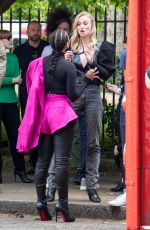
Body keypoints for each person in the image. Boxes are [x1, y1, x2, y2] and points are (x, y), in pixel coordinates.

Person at [17, 28, 98, 222]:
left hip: (45, 113)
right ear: (66, 45)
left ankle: (41, 202)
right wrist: (86, 80)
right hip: (61, 113)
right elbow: (74, 94)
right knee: (61, 162)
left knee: (43, 161)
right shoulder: (68, 66)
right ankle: (63, 205)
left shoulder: (40, 63)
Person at [65, 11, 115, 202]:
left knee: (93, 142)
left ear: (92, 25)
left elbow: (105, 75)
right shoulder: (70, 47)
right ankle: (52, 185)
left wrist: (93, 60)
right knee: (61, 137)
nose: (82, 27)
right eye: (79, 24)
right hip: (75, 94)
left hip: (93, 94)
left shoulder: (102, 47)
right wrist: (68, 62)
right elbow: (62, 73)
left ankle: (92, 186)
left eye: (85, 23)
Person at [13, 21, 49, 174]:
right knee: (30, 125)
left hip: (45, 93)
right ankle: (33, 162)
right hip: (26, 94)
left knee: (44, 125)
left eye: (38, 30)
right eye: (32, 30)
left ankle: (44, 162)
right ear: (27, 32)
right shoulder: (19, 50)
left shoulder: (47, 48)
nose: (36, 32)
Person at [0, 30, 32, 183]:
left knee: (16, 136)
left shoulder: (13, 57)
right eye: (7, 38)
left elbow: (17, 78)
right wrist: (12, 79)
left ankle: (20, 169)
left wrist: (9, 78)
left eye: (10, 38)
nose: (10, 40)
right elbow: (13, 78)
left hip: (11, 101)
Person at [107, 37, 127, 206]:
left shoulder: (127, 53)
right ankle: (127, 188)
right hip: (126, 105)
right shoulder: (127, 53)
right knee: (126, 149)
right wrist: (121, 90)